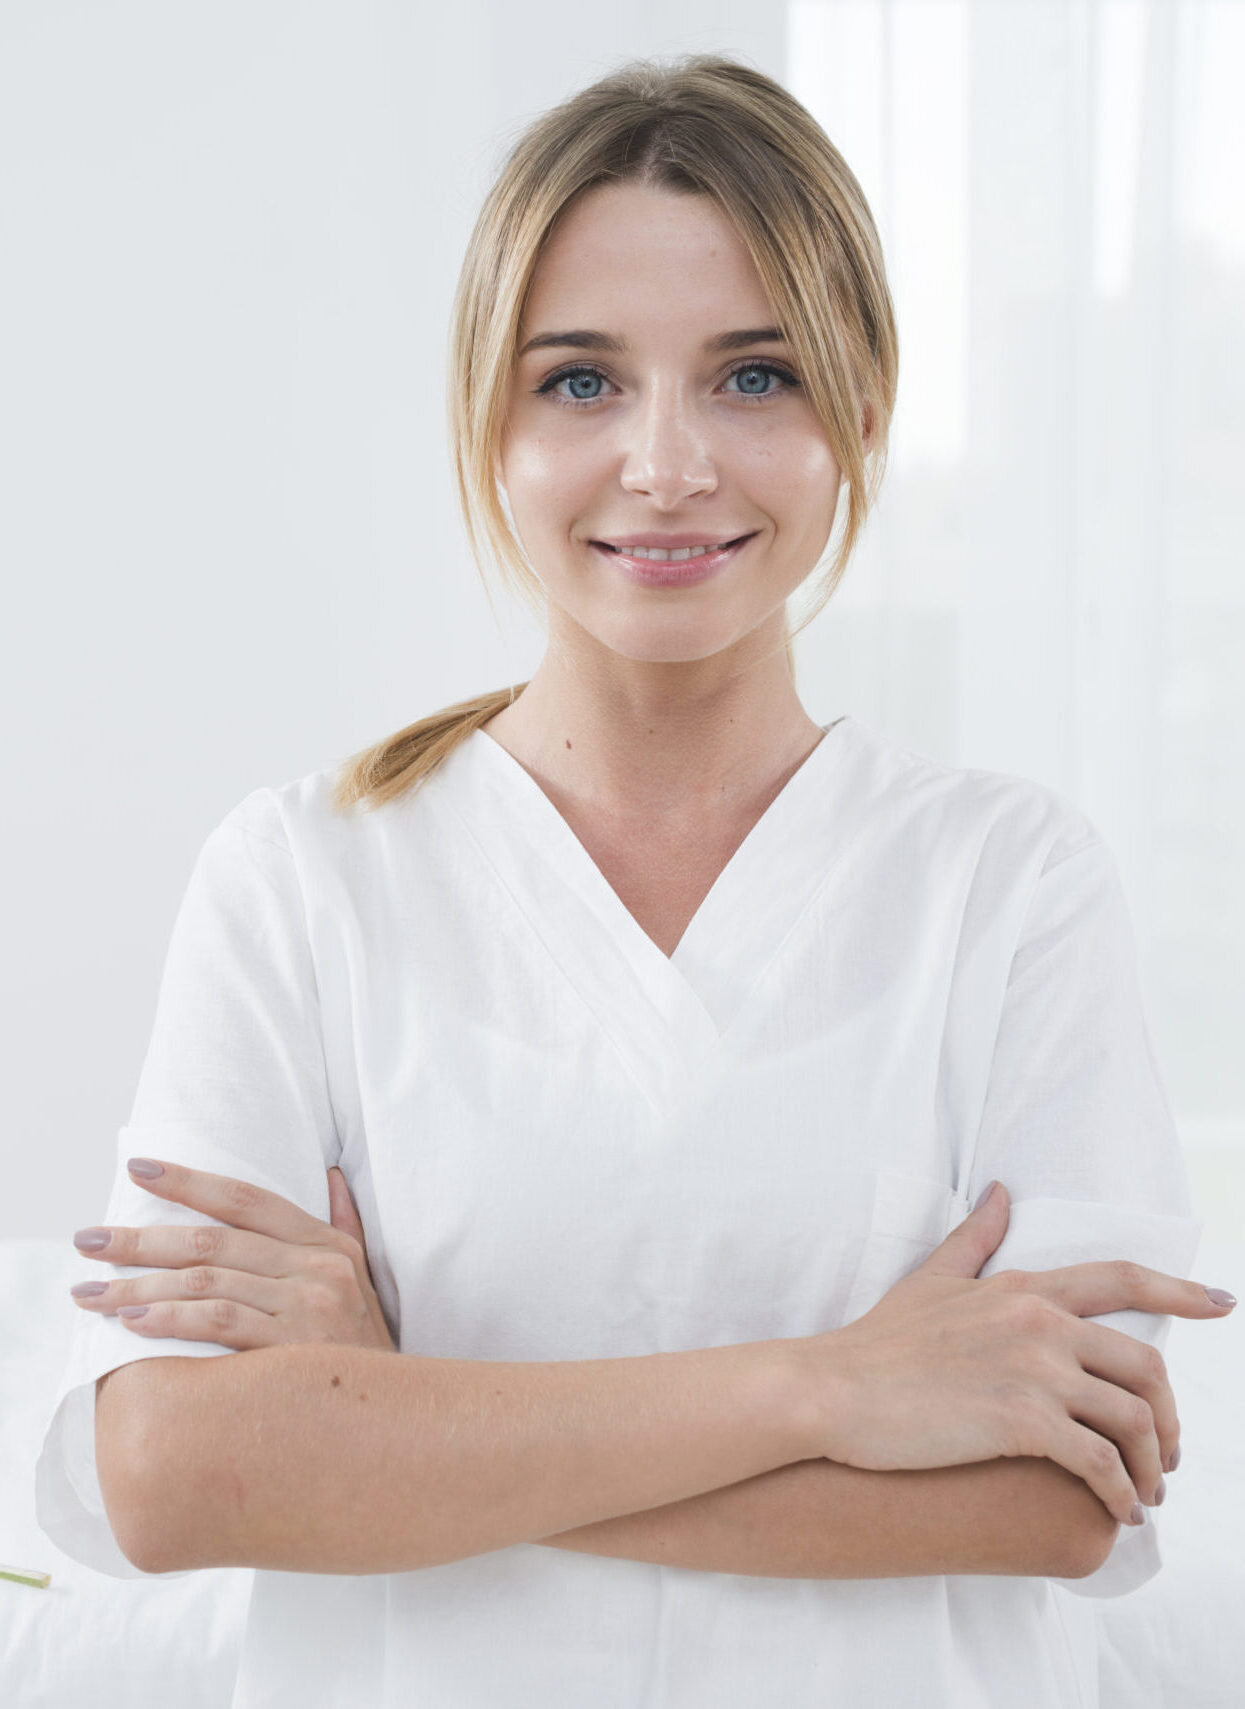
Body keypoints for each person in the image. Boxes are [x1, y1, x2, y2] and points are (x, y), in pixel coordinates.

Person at [36, 51, 1227, 1708]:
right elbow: (170, 1471)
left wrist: (405, 1418)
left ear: (862, 407)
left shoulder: (1003, 883)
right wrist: (833, 1389)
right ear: (489, 419)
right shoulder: (306, 877)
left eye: (752, 378)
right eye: (581, 383)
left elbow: (1050, 1493)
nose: (665, 466)